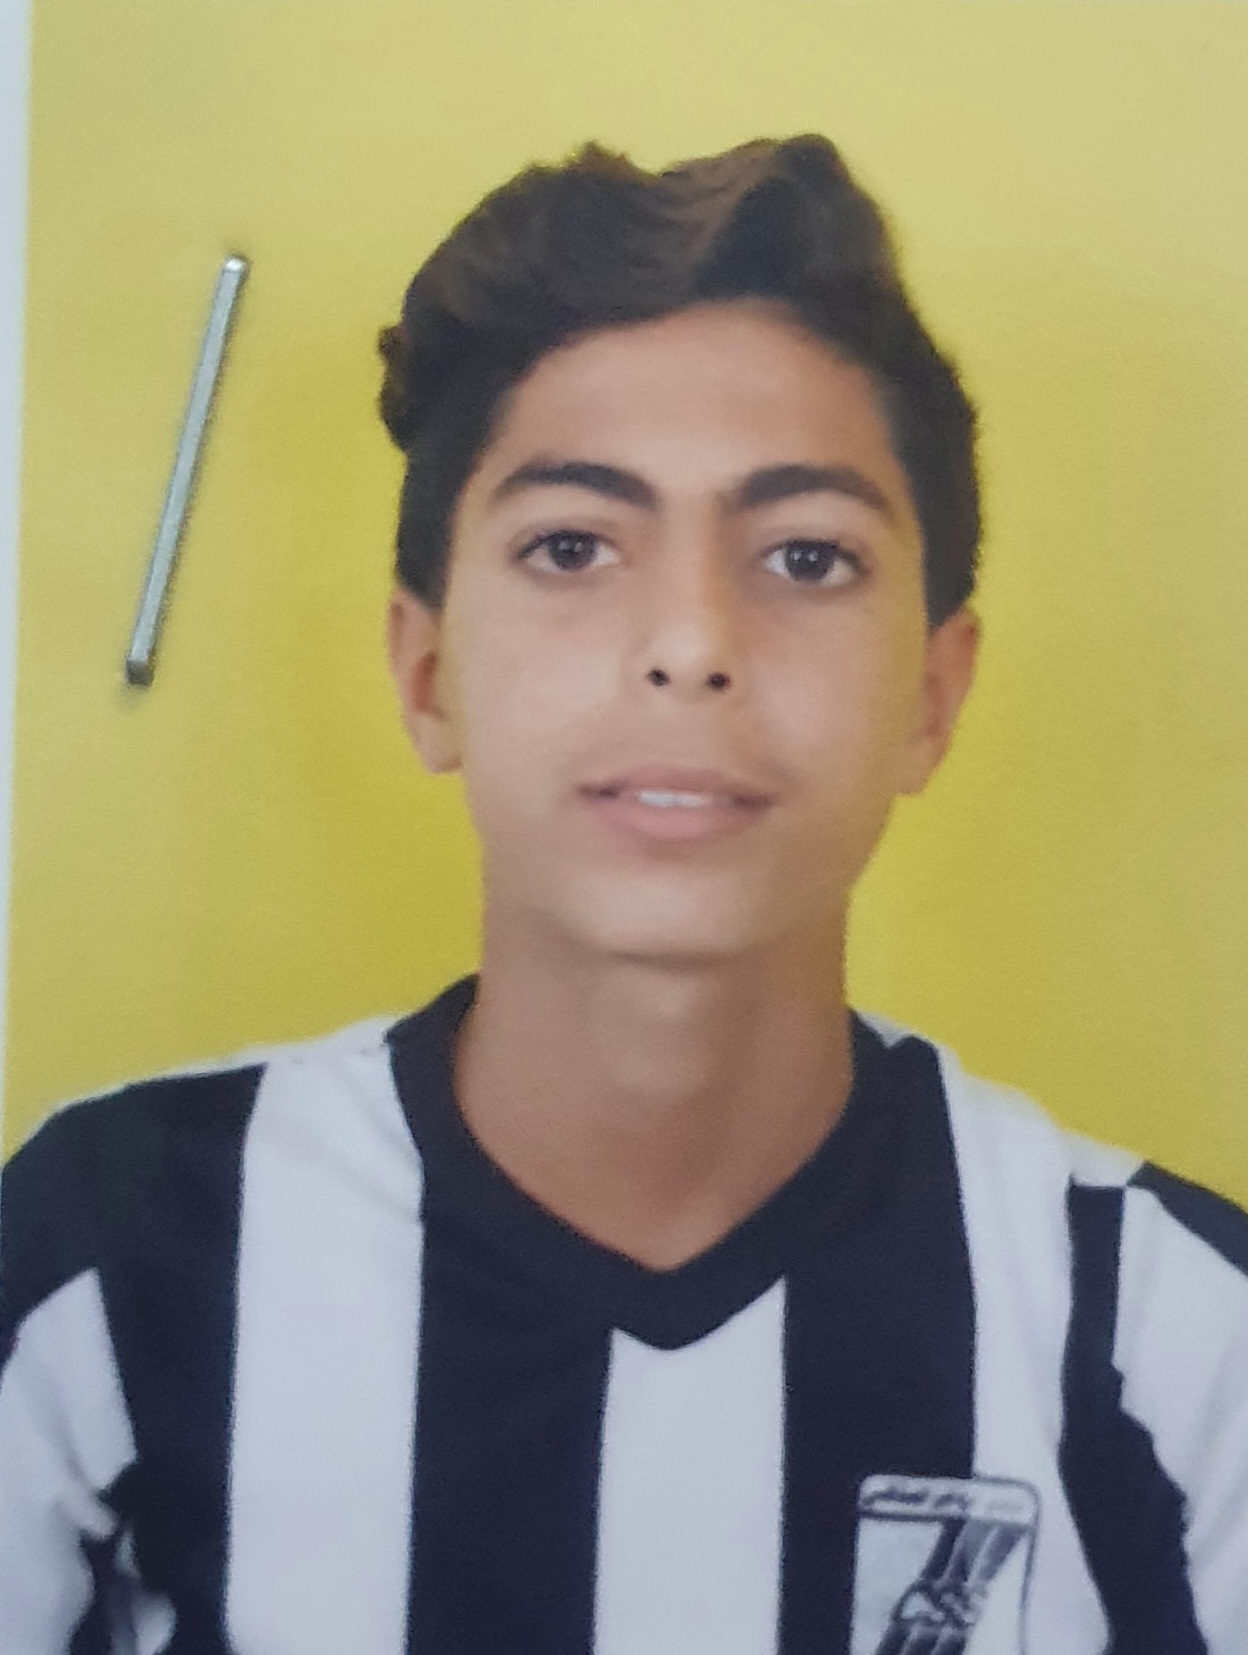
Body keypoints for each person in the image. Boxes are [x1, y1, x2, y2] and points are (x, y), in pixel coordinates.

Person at [1, 134, 1245, 1655]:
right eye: (573, 544)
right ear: (427, 674)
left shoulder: (1175, 1335)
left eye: (807, 556)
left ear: (933, 696)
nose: (691, 643)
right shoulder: (108, 1258)